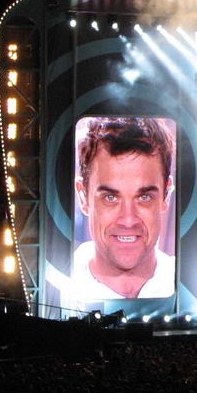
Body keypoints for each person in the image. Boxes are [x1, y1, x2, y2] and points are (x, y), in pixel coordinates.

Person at [73, 117, 176, 300]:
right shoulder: (57, 288)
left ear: (166, 195)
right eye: (110, 198)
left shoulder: (194, 286)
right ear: (83, 197)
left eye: (144, 197)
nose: (128, 220)